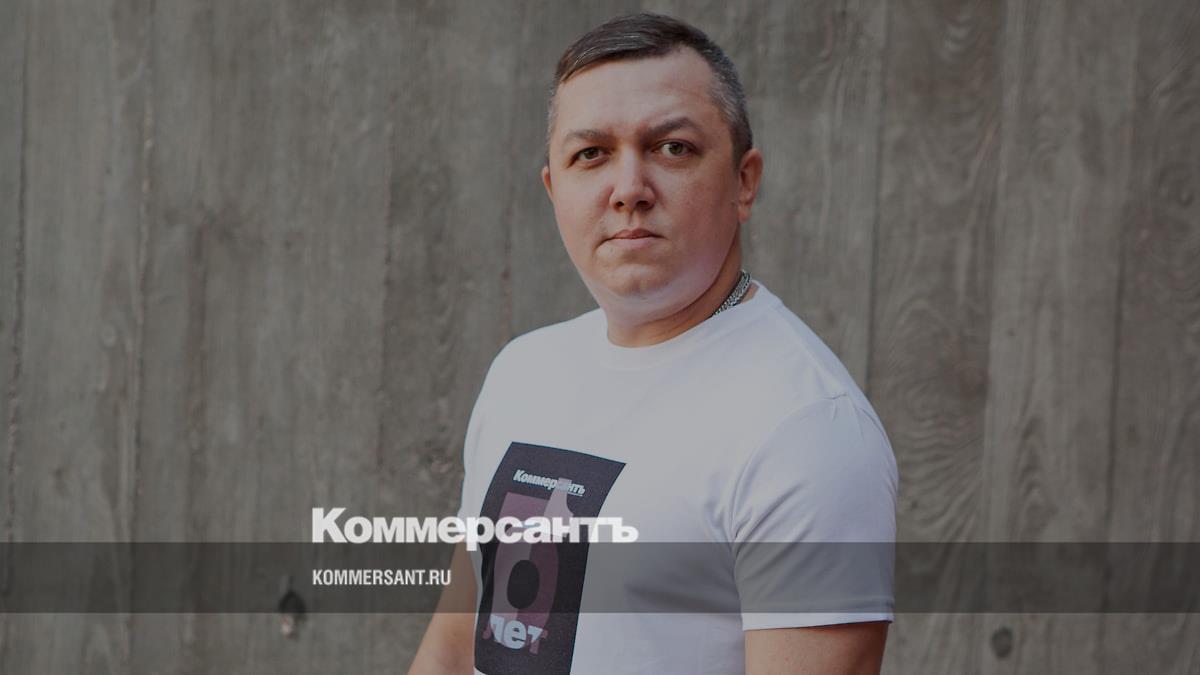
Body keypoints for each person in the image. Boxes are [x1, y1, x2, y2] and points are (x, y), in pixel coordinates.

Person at [409, 12, 897, 675]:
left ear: (744, 181)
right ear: (554, 188)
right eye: (591, 154)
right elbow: (450, 651)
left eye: (672, 148)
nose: (629, 190)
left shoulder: (807, 428)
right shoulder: (522, 372)